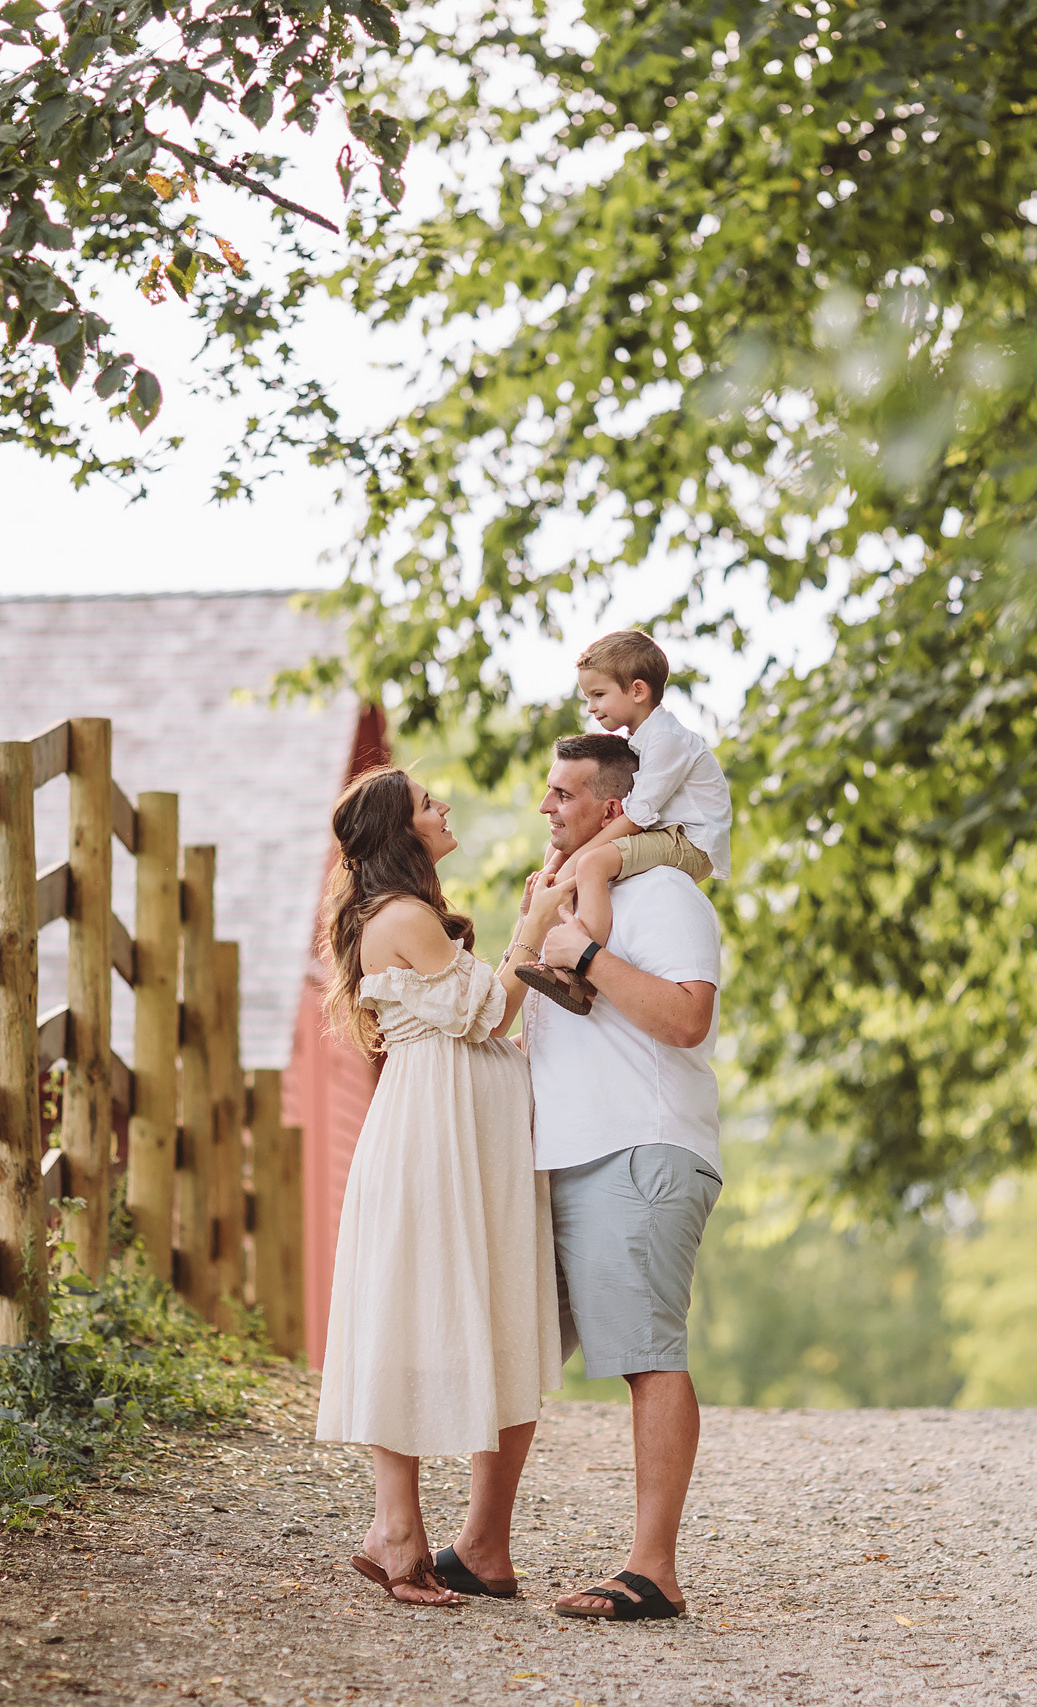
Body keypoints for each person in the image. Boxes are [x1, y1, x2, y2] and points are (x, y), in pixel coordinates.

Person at [312, 766, 563, 1607]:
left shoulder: (405, 915)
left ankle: (427, 1535)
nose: (443, 806)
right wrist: (533, 925)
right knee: (413, 1312)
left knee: (463, 1309)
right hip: (431, 1138)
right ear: (399, 830)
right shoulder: (403, 917)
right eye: (427, 802)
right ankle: (396, 1529)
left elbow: (477, 1017)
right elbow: (489, 1011)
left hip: (460, 1135)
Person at [516, 732, 725, 1621]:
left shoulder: (665, 891)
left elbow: (686, 1018)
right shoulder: (561, 895)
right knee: (514, 1351)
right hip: (558, 1157)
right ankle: (483, 1547)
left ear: (612, 808)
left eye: (563, 793)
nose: (545, 807)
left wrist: (588, 957)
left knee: (646, 1356)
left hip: (640, 1148)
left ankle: (654, 1569)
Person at [512, 630, 731, 1017]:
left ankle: (577, 972)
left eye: (599, 695)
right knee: (564, 853)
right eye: (588, 697)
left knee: (592, 864)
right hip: (667, 832)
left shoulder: (667, 740)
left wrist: (575, 865)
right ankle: (557, 932)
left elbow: (635, 816)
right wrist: (555, 868)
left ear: (638, 690)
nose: (591, 708)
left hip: (691, 842)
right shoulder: (642, 740)